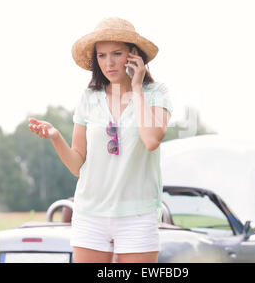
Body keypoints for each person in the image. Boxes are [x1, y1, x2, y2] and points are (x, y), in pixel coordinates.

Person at [28, 17, 173, 263]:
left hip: (137, 216)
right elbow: (76, 164)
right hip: (90, 215)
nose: (109, 63)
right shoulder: (88, 97)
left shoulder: (156, 93)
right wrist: (55, 137)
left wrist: (137, 87)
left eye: (117, 53)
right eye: (102, 55)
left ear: (133, 55)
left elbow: (151, 140)